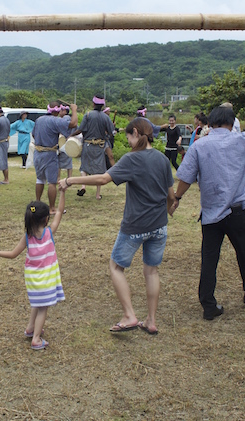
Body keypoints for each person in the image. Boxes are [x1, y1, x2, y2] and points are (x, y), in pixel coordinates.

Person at [59, 118, 175, 335]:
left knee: (116, 267)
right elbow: (171, 196)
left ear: (134, 133)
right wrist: (169, 209)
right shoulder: (161, 159)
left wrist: (71, 181)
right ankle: (150, 320)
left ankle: (130, 315)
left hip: (136, 225)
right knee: (151, 271)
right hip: (160, 225)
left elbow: (104, 179)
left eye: (128, 136)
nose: (128, 140)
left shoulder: (132, 159)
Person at [173, 106, 245, 320]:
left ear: (210, 124)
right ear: (231, 122)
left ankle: (208, 304)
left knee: (209, 259)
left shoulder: (200, 145)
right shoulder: (241, 141)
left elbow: (186, 177)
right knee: (244, 253)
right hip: (238, 211)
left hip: (211, 213)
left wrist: (177, 198)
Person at [0, 190, 67, 350]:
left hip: (32, 279)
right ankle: (36, 339)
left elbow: (12, 254)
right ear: (46, 219)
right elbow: (59, 211)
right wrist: (62, 192)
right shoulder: (49, 233)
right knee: (43, 308)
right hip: (46, 279)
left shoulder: (27, 237)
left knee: (37, 303)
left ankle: (31, 328)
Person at [32, 102, 78, 214]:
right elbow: (73, 123)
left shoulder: (39, 120)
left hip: (37, 153)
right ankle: (52, 208)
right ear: (58, 111)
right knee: (52, 182)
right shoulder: (55, 120)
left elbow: (33, 134)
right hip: (49, 153)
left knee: (40, 179)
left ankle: (37, 203)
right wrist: (74, 110)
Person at [74, 95, 115, 200]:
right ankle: (97, 195)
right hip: (100, 146)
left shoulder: (87, 115)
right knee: (99, 170)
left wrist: (71, 136)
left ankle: (83, 186)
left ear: (93, 104)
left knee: (84, 166)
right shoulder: (106, 117)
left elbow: (81, 129)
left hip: (87, 144)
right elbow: (111, 133)